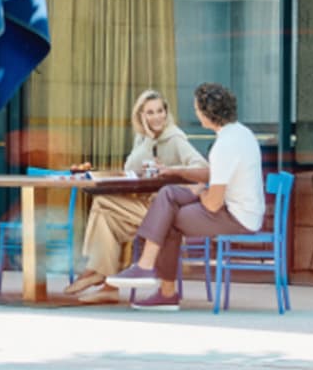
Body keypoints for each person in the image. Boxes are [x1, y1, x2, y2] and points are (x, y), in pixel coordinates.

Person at [107, 82, 263, 310]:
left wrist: (199, 191)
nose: (196, 114)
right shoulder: (240, 133)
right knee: (168, 193)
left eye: (198, 110)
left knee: (168, 218)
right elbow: (214, 173)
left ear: (208, 114)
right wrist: (176, 171)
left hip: (237, 217)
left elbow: (212, 204)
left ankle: (161, 285)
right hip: (243, 209)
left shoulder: (224, 145)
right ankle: (148, 269)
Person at [65, 89, 204, 297]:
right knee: (106, 218)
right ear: (141, 116)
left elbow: (201, 167)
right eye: (150, 112)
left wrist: (173, 171)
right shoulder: (143, 139)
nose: (157, 117)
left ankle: (97, 272)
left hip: (164, 214)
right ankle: (108, 288)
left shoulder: (175, 138)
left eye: (160, 111)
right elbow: (130, 167)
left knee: (102, 203)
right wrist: (147, 139)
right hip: (146, 209)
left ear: (166, 113)